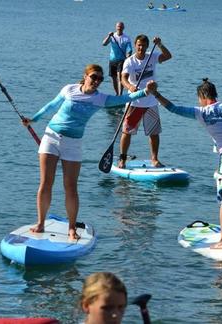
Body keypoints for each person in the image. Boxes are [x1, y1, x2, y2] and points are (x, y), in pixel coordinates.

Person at [21, 64, 157, 239]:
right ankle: (40, 223)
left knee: (70, 187)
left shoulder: (100, 99)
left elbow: (125, 98)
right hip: (51, 137)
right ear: (85, 76)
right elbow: (51, 106)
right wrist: (33, 119)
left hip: (73, 143)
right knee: (46, 183)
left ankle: (72, 228)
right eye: (94, 77)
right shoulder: (69, 89)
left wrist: (146, 91)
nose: (97, 81)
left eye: (100, 79)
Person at [151, 79, 222, 249]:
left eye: (199, 98)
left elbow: (173, 108)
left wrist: (156, 94)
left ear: (203, 96)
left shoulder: (201, 112)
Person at [118, 35, 172, 169]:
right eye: (138, 45)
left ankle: (154, 159)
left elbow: (168, 56)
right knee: (127, 132)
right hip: (135, 102)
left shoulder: (152, 57)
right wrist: (130, 87)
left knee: (154, 133)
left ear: (147, 46)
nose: (141, 48)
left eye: (143, 45)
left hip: (151, 102)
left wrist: (159, 44)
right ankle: (123, 159)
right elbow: (123, 79)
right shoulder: (130, 62)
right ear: (135, 45)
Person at [102, 22, 133, 96]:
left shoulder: (126, 38)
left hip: (121, 60)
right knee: (113, 78)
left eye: (121, 27)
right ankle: (116, 94)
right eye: (118, 26)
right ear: (116, 27)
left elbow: (130, 49)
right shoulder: (112, 36)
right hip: (112, 60)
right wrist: (109, 36)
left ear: (123, 28)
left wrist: (128, 56)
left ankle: (120, 94)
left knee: (119, 77)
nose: (119, 28)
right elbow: (104, 44)